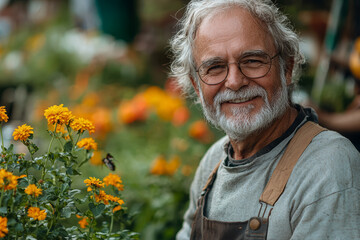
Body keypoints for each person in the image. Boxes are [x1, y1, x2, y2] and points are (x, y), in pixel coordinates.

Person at [169, 0, 360, 239]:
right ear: (197, 85)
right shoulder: (213, 162)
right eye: (215, 67)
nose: (235, 82)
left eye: (252, 61)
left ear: (287, 68)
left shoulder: (327, 165)